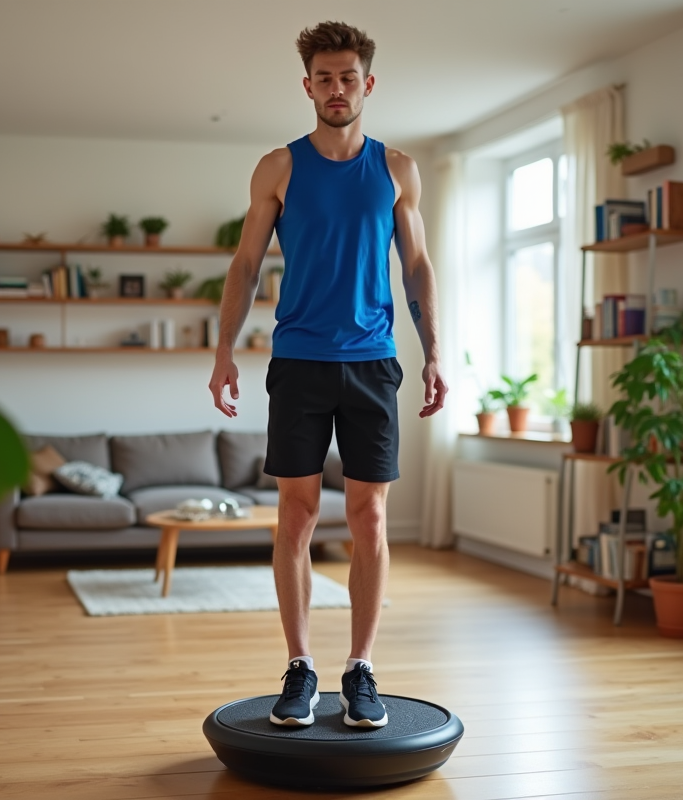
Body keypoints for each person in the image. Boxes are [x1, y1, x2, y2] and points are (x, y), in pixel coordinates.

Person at [208, 21, 446, 729]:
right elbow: (246, 266)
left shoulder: (398, 169)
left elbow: (418, 267)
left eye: (348, 77)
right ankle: (302, 666)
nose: (336, 88)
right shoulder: (277, 168)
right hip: (301, 362)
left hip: (373, 362)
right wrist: (223, 352)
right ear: (307, 84)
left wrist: (435, 351)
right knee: (298, 516)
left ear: (366, 84)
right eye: (324, 77)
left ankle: (362, 667)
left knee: (369, 515)